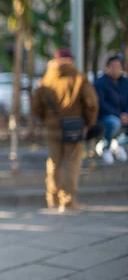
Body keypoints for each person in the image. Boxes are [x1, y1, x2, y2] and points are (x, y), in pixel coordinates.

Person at [32, 48, 99, 212]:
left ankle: (52, 199)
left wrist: (47, 120)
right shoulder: (78, 77)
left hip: (52, 128)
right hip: (74, 127)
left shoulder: (46, 79)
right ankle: (68, 201)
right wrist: (87, 124)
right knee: (72, 163)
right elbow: (92, 103)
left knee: (53, 163)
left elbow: (35, 106)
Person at [94, 55, 128, 164]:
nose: (116, 69)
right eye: (113, 66)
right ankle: (106, 146)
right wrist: (119, 115)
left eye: (118, 66)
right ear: (107, 68)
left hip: (122, 115)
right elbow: (101, 103)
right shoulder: (100, 82)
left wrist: (126, 114)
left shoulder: (125, 82)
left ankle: (119, 143)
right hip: (104, 116)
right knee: (115, 122)